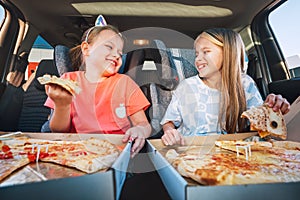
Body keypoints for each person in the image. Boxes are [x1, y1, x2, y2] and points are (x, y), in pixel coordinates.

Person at [161, 28, 290, 146]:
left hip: (232, 152)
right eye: (196, 54)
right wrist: (170, 132)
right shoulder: (186, 87)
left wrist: (273, 109)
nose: (198, 59)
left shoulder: (245, 84)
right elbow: (169, 121)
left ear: (228, 52)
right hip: (191, 150)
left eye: (206, 52)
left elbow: (260, 123)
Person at [43, 25, 151, 157]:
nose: (117, 55)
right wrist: (62, 106)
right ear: (86, 49)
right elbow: (58, 131)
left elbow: (143, 124)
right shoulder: (68, 80)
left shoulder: (125, 83)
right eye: (109, 47)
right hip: (75, 152)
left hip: (116, 153)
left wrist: (140, 130)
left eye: (120, 53)